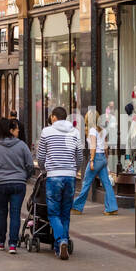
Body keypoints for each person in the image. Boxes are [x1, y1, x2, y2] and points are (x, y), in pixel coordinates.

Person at [37, 106, 83, 260]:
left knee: (53, 213)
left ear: (54, 117)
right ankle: (59, 247)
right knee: (65, 213)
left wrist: (44, 170)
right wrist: (74, 169)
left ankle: (61, 240)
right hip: (70, 176)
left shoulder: (46, 132)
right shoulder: (75, 132)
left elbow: (41, 156)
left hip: (54, 177)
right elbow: (80, 156)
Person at [0, 116, 35, 252]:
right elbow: (30, 165)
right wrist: (25, 177)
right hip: (19, 184)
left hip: (0, 184)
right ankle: (13, 243)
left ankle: (0, 241)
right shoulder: (22, 145)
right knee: (15, 213)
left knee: (1, 213)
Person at [73, 107, 118, 215]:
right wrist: (105, 159)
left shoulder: (92, 130)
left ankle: (77, 207)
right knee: (107, 184)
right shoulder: (102, 129)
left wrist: (92, 160)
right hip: (102, 157)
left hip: (96, 157)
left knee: (86, 183)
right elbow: (106, 146)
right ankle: (112, 208)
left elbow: (93, 146)